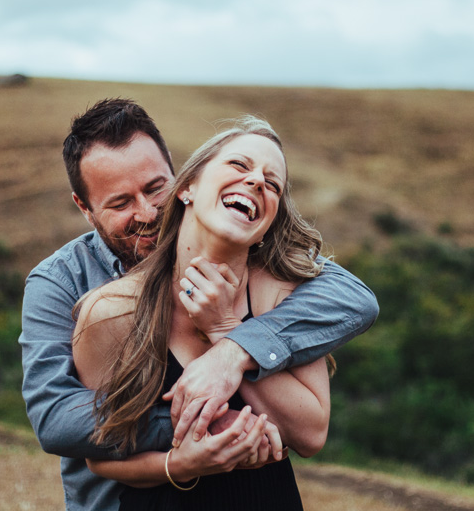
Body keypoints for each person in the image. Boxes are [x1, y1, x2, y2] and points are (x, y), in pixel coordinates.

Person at [19, 99, 378, 511]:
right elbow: (58, 421)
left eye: (156, 188)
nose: (148, 212)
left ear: (179, 178)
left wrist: (232, 344)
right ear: (84, 208)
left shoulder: (275, 284)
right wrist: (202, 426)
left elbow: (357, 301)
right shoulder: (75, 291)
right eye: (120, 203)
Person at [73, 116, 331, 509]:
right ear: (188, 187)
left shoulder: (288, 297)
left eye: (272, 183)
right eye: (239, 165)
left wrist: (226, 330)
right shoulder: (110, 312)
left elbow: (311, 435)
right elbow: (100, 455)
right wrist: (181, 464)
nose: (257, 181)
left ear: (266, 225)